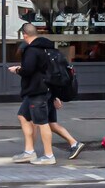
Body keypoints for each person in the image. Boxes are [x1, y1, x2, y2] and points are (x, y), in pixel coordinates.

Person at [9, 23, 84, 165]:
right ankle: (29, 151)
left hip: (37, 91)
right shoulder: (48, 48)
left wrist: (17, 69)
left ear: (25, 35)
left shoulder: (32, 50)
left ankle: (49, 155)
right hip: (46, 90)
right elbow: (51, 73)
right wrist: (55, 95)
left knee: (42, 123)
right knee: (23, 116)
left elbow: (28, 70)